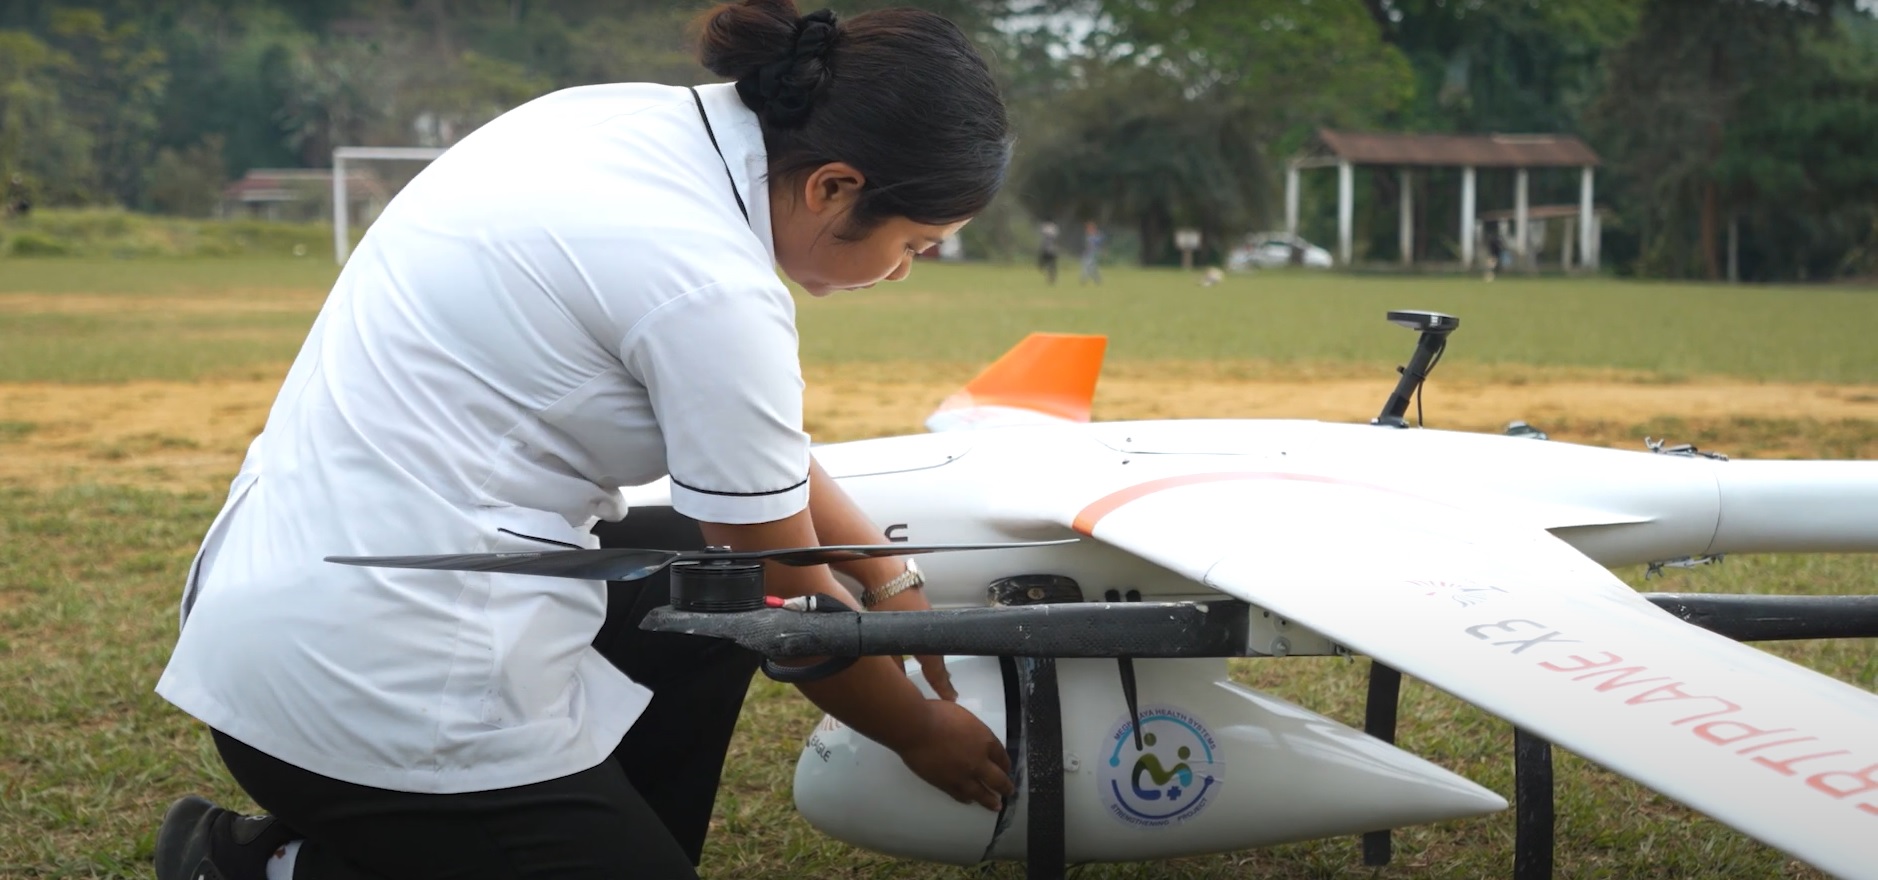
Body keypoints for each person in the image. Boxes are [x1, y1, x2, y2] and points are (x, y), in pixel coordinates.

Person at [149, 2, 1016, 878]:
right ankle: (266, 868)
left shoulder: (615, 121)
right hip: (369, 684)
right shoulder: (708, 281)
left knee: (694, 571)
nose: (905, 270)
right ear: (834, 187)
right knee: (733, 586)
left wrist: (883, 570)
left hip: (276, 604)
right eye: (916, 244)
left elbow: (752, 458)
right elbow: (786, 597)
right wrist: (920, 731)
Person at [1079, 220, 1104, 285]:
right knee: (1090, 267)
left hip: (1092, 254)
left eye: (1089, 228)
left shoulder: (1096, 236)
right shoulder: (1089, 236)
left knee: (1088, 267)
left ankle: (1084, 280)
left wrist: (1100, 251)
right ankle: (1097, 280)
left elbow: (1097, 245)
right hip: (1088, 253)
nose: (1087, 230)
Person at [1037, 220, 1059, 284]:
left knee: (1047, 263)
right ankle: (1052, 277)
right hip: (1052, 250)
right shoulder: (1054, 228)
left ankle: (1042, 268)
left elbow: (1041, 235)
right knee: (1052, 265)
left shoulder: (1044, 228)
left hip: (1047, 250)